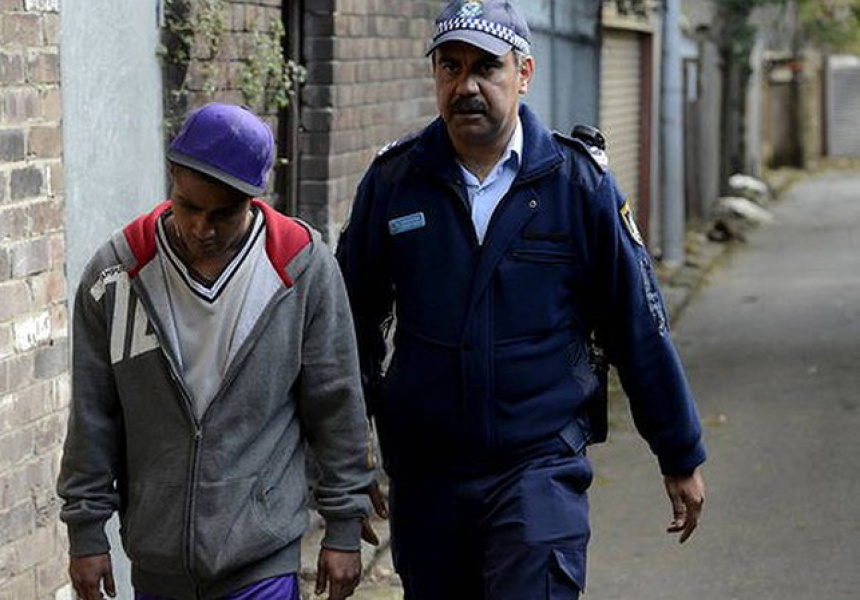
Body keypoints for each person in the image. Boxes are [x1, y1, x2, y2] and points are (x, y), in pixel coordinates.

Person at [335, 1, 707, 598]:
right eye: (451, 67)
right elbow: (348, 327)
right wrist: (347, 464)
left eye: (486, 67)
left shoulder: (577, 184)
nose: (466, 86)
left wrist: (678, 450)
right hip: (428, 475)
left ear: (524, 74)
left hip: (538, 464)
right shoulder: (395, 183)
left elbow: (636, 322)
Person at [57, 103, 376, 600]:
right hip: (158, 556)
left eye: (223, 214)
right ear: (172, 177)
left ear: (253, 199)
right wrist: (86, 531)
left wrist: (343, 522)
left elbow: (335, 401)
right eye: (188, 206)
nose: (202, 229)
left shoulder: (299, 269)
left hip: (260, 552)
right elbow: (93, 413)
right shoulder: (117, 275)